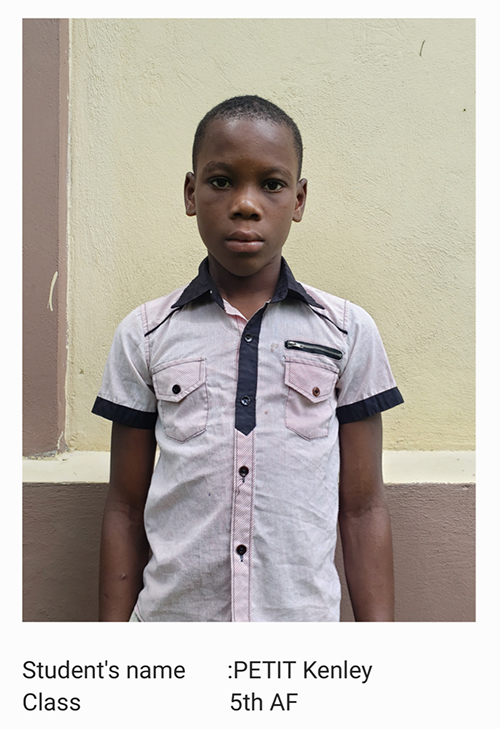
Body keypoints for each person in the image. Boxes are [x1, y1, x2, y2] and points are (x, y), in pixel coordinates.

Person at [92, 95, 404, 622]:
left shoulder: (348, 331)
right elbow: (124, 509)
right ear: (191, 193)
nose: (246, 204)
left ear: (299, 200)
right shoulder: (145, 333)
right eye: (221, 182)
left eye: (272, 184)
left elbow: (364, 507)